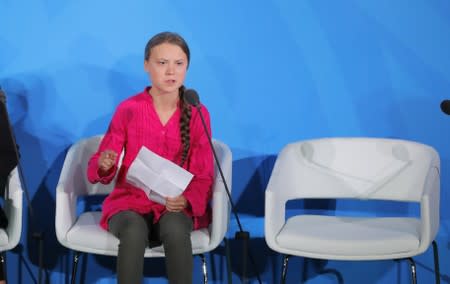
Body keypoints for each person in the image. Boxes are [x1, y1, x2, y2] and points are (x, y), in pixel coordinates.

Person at [87, 31, 214, 284]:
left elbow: (204, 173)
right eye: (162, 63)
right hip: (129, 202)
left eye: (178, 64)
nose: (170, 72)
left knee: (176, 230)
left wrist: (186, 200)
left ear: (187, 67)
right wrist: (104, 165)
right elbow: (103, 160)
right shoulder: (129, 109)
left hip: (174, 204)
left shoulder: (198, 112)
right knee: (133, 232)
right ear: (147, 65)